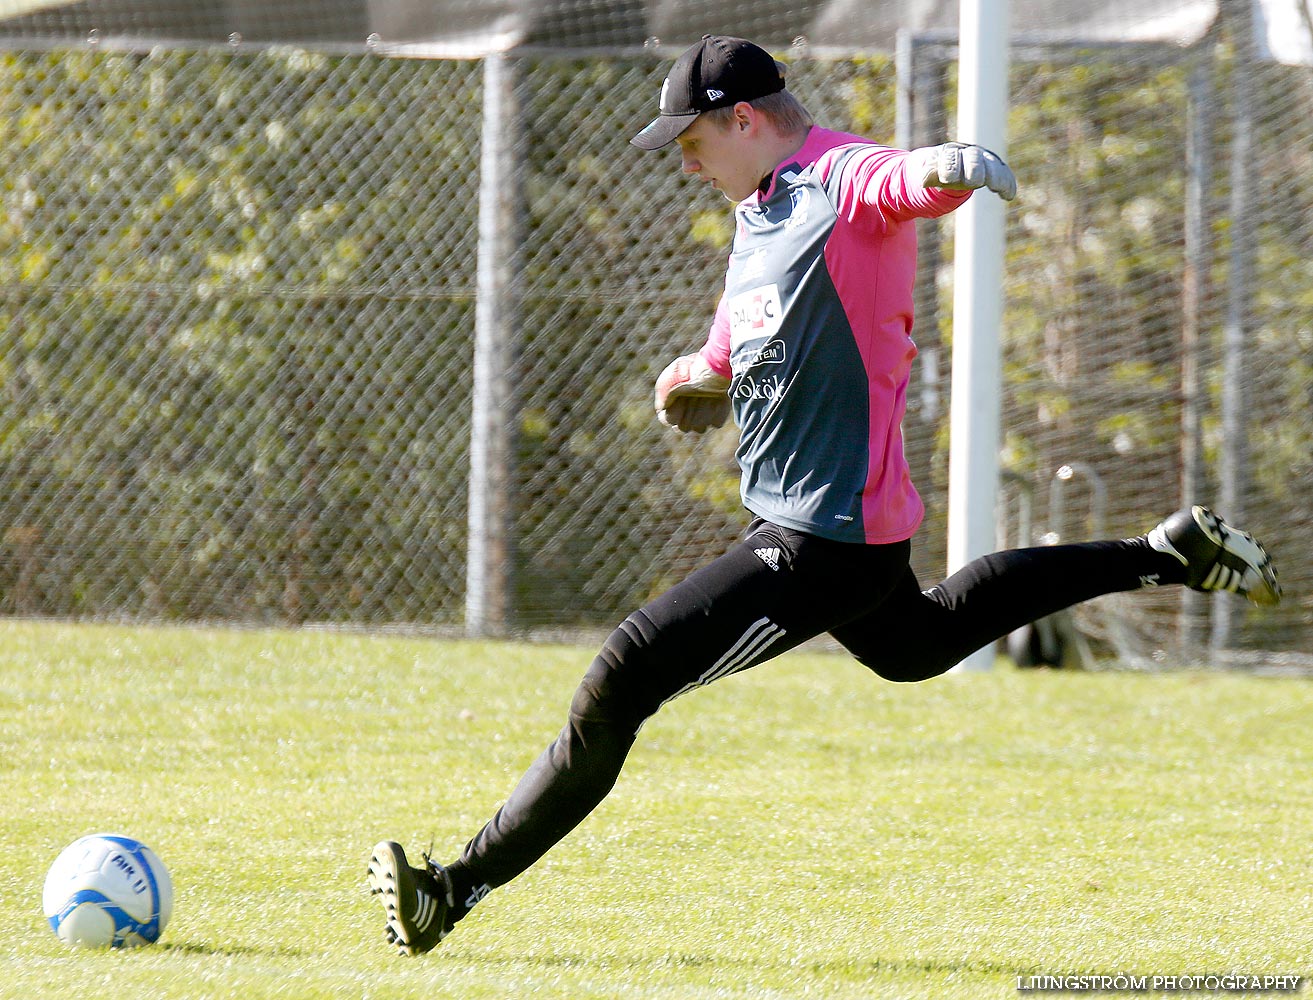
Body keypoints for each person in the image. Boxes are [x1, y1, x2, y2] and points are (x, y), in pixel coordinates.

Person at [367, 34, 1281, 956]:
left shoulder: (835, 177)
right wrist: (694, 375)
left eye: (691, 141)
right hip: (829, 526)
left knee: (624, 671)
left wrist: (945, 167)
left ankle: (451, 889)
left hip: (822, 539)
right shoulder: (758, 209)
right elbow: (735, 343)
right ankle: (1166, 555)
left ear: (745, 118)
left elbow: (897, 181)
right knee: (918, 645)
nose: (685, 162)